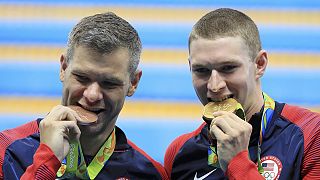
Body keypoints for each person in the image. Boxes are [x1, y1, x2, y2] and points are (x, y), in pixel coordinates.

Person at [0, 12, 168, 180]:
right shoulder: (6, 150)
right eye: (81, 78)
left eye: (109, 83)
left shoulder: (150, 174)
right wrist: (47, 160)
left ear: (133, 83)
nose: (92, 95)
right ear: (64, 68)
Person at [164, 8, 320, 180]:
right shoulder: (179, 151)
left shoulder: (310, 134)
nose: (215, 85)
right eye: (201, 70)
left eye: (228, 68)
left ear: (259, 64)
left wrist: (237, 162)